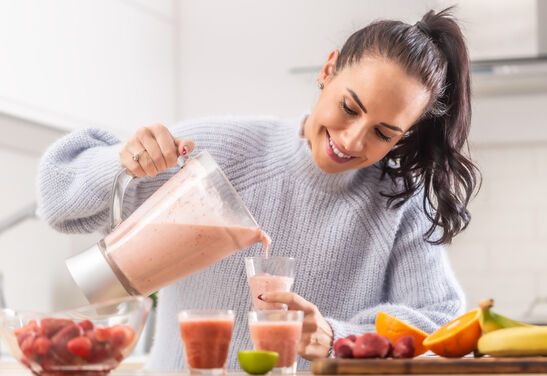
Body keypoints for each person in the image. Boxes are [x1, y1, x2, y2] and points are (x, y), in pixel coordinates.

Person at [37, 7, 480, 370]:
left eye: (383, 133)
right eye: (349, 107)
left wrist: (335, 336)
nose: (351, 140)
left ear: (404, 135)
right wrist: (124, 163)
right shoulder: (217, 154)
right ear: (328, 69)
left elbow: (439, 322)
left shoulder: (399, 201)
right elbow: (57, 198)